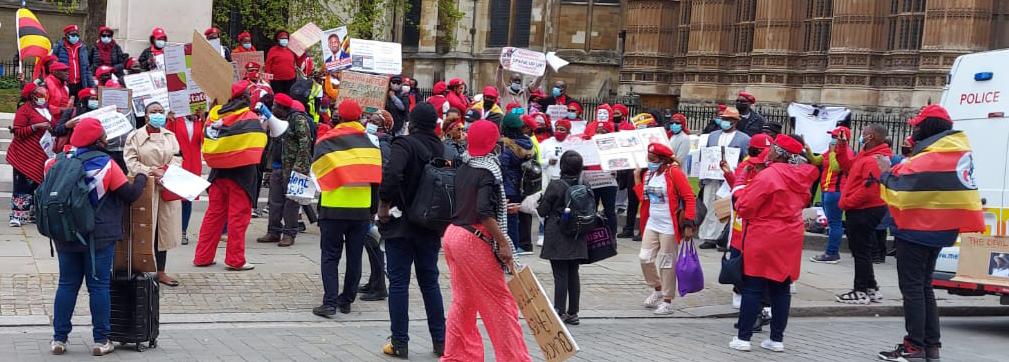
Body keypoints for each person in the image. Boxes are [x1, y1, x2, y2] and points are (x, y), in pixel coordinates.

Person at [876, 105, 984, 362]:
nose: (914, 129)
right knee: (924, 288)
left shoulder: (931, 155)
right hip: (940, 230)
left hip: (918, 230)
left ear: (927, 127)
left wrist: (884, 172)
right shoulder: (955, 151)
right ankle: (931, 346)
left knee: (912, 289)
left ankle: (914, 346)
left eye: (917, 126)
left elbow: (903, 190)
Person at [47, 118, 149, 356]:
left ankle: (59, 339)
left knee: (66, 285)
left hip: (65, 234)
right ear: (98, 140)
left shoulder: (57, 162)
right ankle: (101, 340)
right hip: (98, 236)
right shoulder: (107, 164)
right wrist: (142, 176)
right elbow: (130, 195)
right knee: (99, 286)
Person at [441, 119, 530, 361]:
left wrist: (501, 207)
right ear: (492, 143)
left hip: (454, 234)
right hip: (475, 238)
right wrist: (503, 242)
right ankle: (514, 358)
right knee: (500, 304)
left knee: (464, 301)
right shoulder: (489, 170)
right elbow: (483, 211)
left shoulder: (466, 165)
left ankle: (459, 355)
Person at [729, 134, 818, 353]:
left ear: (778, 152)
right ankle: (776, 339)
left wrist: (740, 197)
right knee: (781, 288)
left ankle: (744, 338)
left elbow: (746, 206)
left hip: (764, 233)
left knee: (753, 287)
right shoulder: (802, 176)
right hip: (790, 234)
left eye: (774, 148)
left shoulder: (769, 175)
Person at [377, 103, 447, 358]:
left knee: (398, 283)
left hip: (402, 223)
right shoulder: (442, 147)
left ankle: (400, 342)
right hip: (431, 225)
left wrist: (384, 204)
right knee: (430, 282)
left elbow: (392, 174)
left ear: (413, 123)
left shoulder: (404, 145)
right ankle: (440, 341)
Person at [308, 99, 381, 317]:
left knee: (330, 256)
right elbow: (376, 179)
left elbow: (317, 173)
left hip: (333, 207)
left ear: (339, 116)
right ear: (360, 117)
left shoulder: (326, 141)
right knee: (355, 256)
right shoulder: (371, 142)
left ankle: (329, 303)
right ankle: (347, 300)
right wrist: (372, 210)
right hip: (360, 209)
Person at [193, 81, 269, 271]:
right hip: (242, 177)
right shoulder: (250, 118)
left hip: (218, 174)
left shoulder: (215, 114)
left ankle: (203, 257)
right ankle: (236, 260)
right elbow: (262, 144)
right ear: (246, 98)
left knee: (213, 217)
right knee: (238, 219)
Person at [830, 124, 893, 304]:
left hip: (864, 209)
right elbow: (848, 167)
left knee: (861, 251)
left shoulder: (874, 159)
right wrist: (841, 147)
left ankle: (860, 290)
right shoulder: (866, 155)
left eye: (863, 133)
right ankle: (871, 287)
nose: (861, 135)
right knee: (862, 250)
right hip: (865, 208)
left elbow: (869, 189)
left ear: (871, 136)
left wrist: (846, 203)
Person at [124, 102, 182, 287]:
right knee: (143, 228)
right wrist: (150, 171)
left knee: (163, 231)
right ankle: (139, 270)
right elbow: (131, 161)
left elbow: (178, 157)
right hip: (144, 188)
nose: (158, 114)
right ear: (146, 115)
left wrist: (166, 171)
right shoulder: (135, 136)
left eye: (160, 111)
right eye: (153, 112)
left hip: (166, 187)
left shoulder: (170, 136)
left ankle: (161, 271)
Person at [635, 143, 697, 315]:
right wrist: (637, 180)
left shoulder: (673, 173)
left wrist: (689, 224)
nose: (649, 162)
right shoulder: (649, 174)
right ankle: (657, 288)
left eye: (653, 159)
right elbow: (644, 198)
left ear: (662, 160)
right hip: (653, 222)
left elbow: (689, 197)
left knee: (666, 262)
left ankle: (667, 300)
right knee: (645, 258)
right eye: (649, 158)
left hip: (669, 225)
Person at [723, 134, 772, 309]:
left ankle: (762, 299)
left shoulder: (771, 169)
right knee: (738, 259)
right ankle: (738, 290)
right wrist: (729, 174)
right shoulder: (745, 166)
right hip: (741, 223)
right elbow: (736, 188)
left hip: (760, 224)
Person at [256, 94, 311, 247]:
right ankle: (273, 231)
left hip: (292, 168)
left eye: (275, 106)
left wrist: (299, 168)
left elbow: (304, 145)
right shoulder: (276, 119)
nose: (272, 108)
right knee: (274, 201)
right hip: (277, 167)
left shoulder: (298, 120)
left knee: (291, 204)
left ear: (282, 108)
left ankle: (289, 233)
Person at [698, 107, 750, 250]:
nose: (725, 122)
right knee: (709, 204)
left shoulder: (744, 138)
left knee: (724, 207)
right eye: (724, 119)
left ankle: (722, 237)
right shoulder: (713, 135)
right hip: (711, 176)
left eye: (728, 120)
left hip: (728, 179)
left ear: (735, 122)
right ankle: (709, 237)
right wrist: (702, 176)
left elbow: (746, 159)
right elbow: (706, 155)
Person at [8, 84, 59, 227]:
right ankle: (17, 215)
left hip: (41, 153)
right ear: (32, 96)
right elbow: (17, 131)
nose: (44, 98)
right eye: (41, 96)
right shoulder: (24, 110)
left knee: (36, 185)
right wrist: (36, 127)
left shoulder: (46, 109)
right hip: (24, 154)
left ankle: (31, 213)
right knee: (22, 185)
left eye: (45, 95)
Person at [808, 126, 856, 263]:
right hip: (826, 190)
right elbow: (817, 161)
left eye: (835, 137)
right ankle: (831, 251)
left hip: (836, 191)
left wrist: (834, 151)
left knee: (835, 223)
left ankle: (832, 253)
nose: (831, 140)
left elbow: (836, 167)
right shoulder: (830, 151)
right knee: (832, 222)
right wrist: (808, 150)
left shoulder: (845, 152)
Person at [165, 111, 205, 246]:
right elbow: (167, 137)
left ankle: (183, 231)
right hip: (177, 163)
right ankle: (171, 230)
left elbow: (206, 141)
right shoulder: (176, 120)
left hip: (193, 165)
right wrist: (170, 120)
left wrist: (205, 121)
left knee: (187, 200)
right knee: (173, 199)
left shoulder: (199, 121)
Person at [499, 113, 535, 254]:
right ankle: (518, 247)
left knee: (509, 222)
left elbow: (501, 168)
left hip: (508, 188)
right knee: (516, 219)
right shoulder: (528, 144)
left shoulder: (508, 148)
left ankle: (511, 250)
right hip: (522, 186)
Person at [581, 117, 619, 235]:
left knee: (609, 211)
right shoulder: (587, 146)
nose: (600, 134)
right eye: (598, 131)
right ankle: (591, 235)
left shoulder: (615, 147)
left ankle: (612, 236)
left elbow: (620, 162)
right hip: (592, 182)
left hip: (608, 183)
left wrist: (615, 170)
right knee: (592, 210)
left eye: (604, 132)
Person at [52, 25, 92, 96]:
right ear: (67, 35)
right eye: (73, 35)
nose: (75, 37)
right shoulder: (59, 47)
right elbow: (52, 66)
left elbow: (87, 69)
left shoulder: (82, 48)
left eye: (77, 34)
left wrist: (92, 86)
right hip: (65, 84)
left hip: (80, 84)